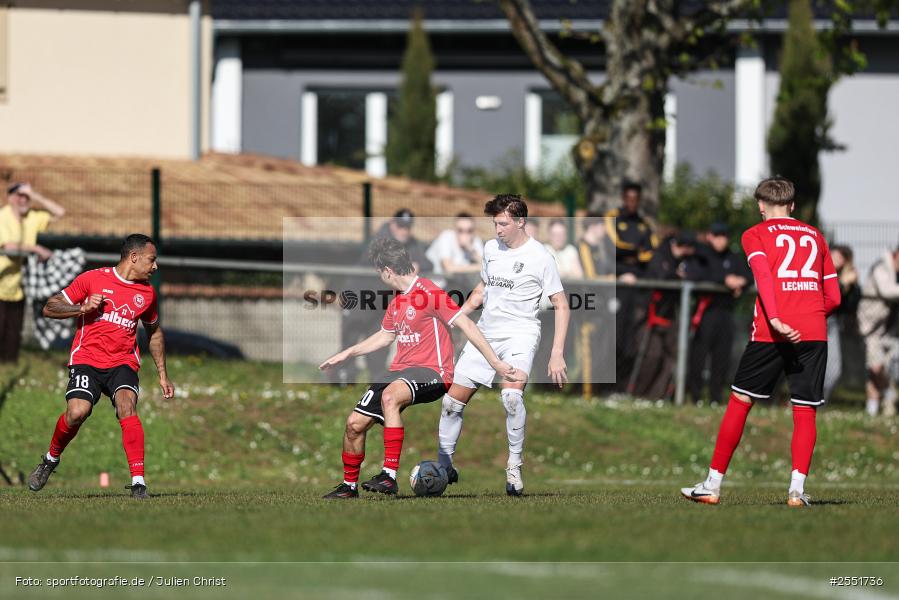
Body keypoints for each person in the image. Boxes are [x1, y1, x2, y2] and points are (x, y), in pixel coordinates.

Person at [319, 237, 523, 498]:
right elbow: (384, 336)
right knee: (354, 424)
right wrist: (348, 352)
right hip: (401, 371)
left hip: (433, 372)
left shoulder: (429, 292)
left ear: (387, 272)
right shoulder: (397, 301)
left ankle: (389, 476)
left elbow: (467, 324)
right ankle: (348, 487)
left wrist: (495, 362)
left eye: (379, 273)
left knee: (391, 396)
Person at [681, 177, 840, 507]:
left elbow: (763, 277)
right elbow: (834, 297)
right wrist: (807, 314)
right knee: (805, 410)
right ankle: (796, 490)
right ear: (793, 205)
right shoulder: (817, 236)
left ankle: (712, 485)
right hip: (813, 332)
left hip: (772, 330)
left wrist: (779, 317)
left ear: (761, 206)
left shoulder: (755, 233)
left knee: (740, 401)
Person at [437, 194, 570, 496]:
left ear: (520, 222)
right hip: (486, 334)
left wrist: (557, 352)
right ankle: (444, 466)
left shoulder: (541, 256)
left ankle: (513, 467)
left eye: (503, 223)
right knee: (450, 404)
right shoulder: (490, 249)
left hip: (521, 334)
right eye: (495, 223)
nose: (497, 229)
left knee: (511, 399)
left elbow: (561, 305)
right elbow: (481, 289)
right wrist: (457, 316)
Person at [27, 234, 175, 499]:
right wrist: (82, 308)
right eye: (152, 260)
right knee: (76, 412)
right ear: (134, 257)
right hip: (87, 360)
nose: (155, 267)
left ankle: (139, 482)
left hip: (123, 362)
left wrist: (163, 375)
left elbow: (154, 332)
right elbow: (50, 307)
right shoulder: (92, 279)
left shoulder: (147, 293)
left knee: (127, 405)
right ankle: (50, 459)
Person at [336, 209, 434, 384]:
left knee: (379, 346)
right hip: (359, 298)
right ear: (392, 224)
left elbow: (427, 264)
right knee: (351, 339)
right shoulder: (380, 239)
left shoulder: (411, 243)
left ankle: (377, 383)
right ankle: (343, 380)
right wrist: (407, 265)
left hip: (382, 302)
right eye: (400, 226)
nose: (404, 230)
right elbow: (377, 261)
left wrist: (416, 265)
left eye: (408, 227)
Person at [0, 183, 65, 363]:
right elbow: (8, 247)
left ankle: (9, 365)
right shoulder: (3, 216)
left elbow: (60, 213)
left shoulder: (32, 217)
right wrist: (36, 248)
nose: (23, 200)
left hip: (18, 285)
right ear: (11, 197)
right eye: (20, 195)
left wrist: (35, 195)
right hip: (1, 280)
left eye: (26, 197)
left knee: (14, 331)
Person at [630, 231, 697, 400]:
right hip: (649, 312)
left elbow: (697, 274)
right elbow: (661, 276)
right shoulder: (659, 255)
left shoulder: (687, 260)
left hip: (670, 314)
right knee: (652, 354)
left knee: (672, 357)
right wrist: (676, 275)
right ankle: (638, 393)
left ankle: (657, 396)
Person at [688, 222, 750, 404]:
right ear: (710, 237)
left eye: (724, 236)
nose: (721, 240)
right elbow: (697, 275)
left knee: (721, 358)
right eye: (717, 236)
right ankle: (696, 397)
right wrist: (725, 280)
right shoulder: (702, 256)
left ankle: (716, 397)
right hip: (706, 312)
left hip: (725, 313)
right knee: (698, 357)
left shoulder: (733, 257)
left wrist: (740, 282)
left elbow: (747, 275)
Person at [858, 244, 899, 417]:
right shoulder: (881, 267)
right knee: (875, 367)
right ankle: (889, 391)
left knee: (880, 369)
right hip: (872, 327)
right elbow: (887, 291)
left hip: (892, 329)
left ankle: (873, 411)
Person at [822, 245, 860, 403]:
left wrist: (852, 287)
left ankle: (818, 401)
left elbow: (850, 306)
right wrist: (842, 284)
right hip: (813, 322)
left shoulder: (846, 279)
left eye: (841, 258)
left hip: (832, 324)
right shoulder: (818, 270)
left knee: (834, 370)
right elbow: (824, 296)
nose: (837, 259)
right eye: (835, 255)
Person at [425, 213, 484, 289]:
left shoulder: (475, 241)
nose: (465, 234)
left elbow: (487, 265)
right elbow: (448, 268)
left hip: (457, 284)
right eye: (460, 230)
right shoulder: (446, 236)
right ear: (455, 229)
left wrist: (471, 250)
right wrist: (477, 267)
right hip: (433, 283)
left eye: (469, 230)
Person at [577, 213, 614, 280]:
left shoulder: (602, 247)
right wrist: (612, 279)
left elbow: (610, 269)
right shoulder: (582, 247)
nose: (605, 229)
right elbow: (590, 276)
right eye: (602, 225)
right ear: (592, 227)